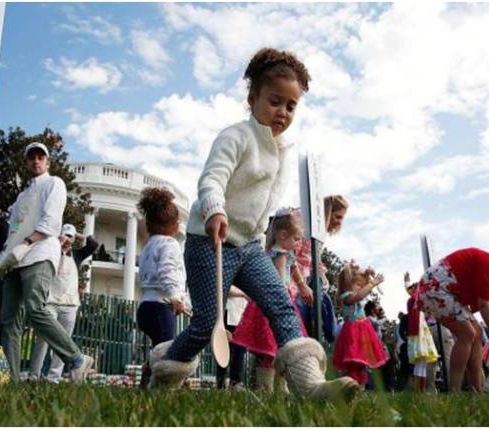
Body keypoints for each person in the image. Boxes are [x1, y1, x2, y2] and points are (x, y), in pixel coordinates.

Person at [147, 47, 358, 401]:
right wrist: (215, 209)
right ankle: (164, 372)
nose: (283, 112)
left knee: (280, 304)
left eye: (291, 106)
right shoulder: (236, 137)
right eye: (275, 101)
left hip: (249, 247)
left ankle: (309, 386)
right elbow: (212, 178)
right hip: (209, 241)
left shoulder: (282, 152)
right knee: (204, 324)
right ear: (252, 97)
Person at [0, 142, 93, 383]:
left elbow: (51, 222)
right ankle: (13, 380)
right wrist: (6, 254)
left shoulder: (54, 183)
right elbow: (13, 229)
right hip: (15, 259)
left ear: (48, 162)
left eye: (41, 157)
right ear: (27, 162)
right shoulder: (21, 197)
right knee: (9, 320)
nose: (36, 161)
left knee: (35, 308)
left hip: (39, 252)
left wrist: (27, 243)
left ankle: (77, 359)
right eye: (32, 158)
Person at [415, 248, 489, 392]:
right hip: (435, 288)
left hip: (442, 290)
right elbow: (484, 306)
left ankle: (478, 390)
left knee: (477, 332)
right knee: (467, 333)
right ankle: (455, 390)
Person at [232, 208, 312, 391]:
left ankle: (270, 386)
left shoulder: (277, 253)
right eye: (296, 238)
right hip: (278, 298)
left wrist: (302, 286)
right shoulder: (280, 254)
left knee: (271, 348)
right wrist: (294, 290)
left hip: (266, 299)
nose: (298, 242)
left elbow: (296, 274)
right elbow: (280, 277)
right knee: (277, 344)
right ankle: (274, 387)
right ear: (283, 235)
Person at [27, 223, 99, 383]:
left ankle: (54, 377)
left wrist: (78, 235)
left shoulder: (77, 255)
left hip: (70, 305)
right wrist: (58, 242)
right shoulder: (51, 251)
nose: (67, 240)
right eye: (65, 236)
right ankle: (33, 375)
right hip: (50, 302)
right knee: (43, 340)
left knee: (64, 342)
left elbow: (93, 244)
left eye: (70, 237)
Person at [134, 187, 188, 389]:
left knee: (157, 350)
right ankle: (167, 385)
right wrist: (175, 296)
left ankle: (146, 383)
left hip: (146, 306)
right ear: (173, 225)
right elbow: (168, 271)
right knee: (167, 351)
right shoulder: (170, 244)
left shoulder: (149, 245)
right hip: (160, 307)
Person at [294, 196, 349, 341]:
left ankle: (330, 331)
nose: (339, 222)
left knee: (321, 300)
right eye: (338, 216)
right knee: (299, 313)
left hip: (306, 277)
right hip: (293, 277)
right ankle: (333, 331)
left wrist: (323, 276)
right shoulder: (303, 220)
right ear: (328, 211)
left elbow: (314, 259)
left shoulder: (320, 233)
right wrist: (301, 284)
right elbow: (292, 254)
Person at [333, 264, 389, 387]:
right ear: (347, 284)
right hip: (352, 332)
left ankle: (360, 385)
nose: (360, 288)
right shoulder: (346, 297)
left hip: (362, 331)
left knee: (361, 361)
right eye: (358, 285)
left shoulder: (355, 295)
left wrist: (368, 274)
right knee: (353, 360)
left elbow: (362, 292)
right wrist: (372, 284)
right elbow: (359, 295)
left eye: (361, 285)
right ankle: (350, 385)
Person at [404, 273, 438, 393]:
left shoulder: (418, 300)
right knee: (420, 362)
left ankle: (421, 390)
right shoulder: (415, 299)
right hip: (418, 333)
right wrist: (407, 282)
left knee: (422, 363)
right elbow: (412, 291)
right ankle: (419, 390)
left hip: (422, 333)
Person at [216, 286, 248, 390]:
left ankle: (235, 382)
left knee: (240, 350)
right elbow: (224, 287)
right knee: (224, 350)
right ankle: (221, 383)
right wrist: (244, 293)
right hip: (229, 311)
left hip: (242, 313)